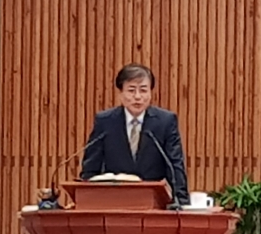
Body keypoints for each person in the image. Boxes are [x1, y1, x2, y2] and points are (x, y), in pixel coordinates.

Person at [79, 63, 190, 207]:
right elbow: (90, 168)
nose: (137, 97)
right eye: (131, 90)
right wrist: (87, 199)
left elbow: (175, 166)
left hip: (153, 204)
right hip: (114, 203)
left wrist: (182, 202)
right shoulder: (105, 122)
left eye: (143, 90)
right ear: (121, 93)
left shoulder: (165, 122)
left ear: (150, 93)